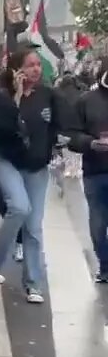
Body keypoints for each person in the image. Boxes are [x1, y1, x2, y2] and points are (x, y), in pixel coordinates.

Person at [0, 46, 61, 304]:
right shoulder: (0, 96)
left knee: (34, 227)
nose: (36, 69)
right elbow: (4, 128)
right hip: (8, 160)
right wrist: (16, 97)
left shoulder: (48, 94)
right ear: (16, 69)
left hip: (36, 166)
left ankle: (33, 284)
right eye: (29, 65)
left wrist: (54, 148)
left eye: (38, 64)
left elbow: (58, 126)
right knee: (19, 207)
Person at [68, 56, 108, 283]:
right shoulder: (86, 101)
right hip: (96, 171)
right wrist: (90, 143)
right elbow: (72, 135)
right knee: (98, 225)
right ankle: (105, 265)